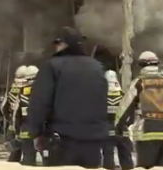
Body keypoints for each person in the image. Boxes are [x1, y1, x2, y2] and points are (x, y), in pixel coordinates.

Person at [27, 27, 108, 168]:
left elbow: (40, 102)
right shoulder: (97, 67)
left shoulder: (51, 66)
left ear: (64, 44)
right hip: (94, 140)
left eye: (57, 44)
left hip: (62, 139)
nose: (56, 48)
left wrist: (36, 132)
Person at [115, 51, 163, 169]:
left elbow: (125, 107)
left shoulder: (139, 83)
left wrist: (118, 127)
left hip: (147, 134)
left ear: (140, 65)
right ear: (157, 64)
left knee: (145, 167)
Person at [103, 70, 134, 170]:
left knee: (108, 155)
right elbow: (131, 112)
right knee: (126, 156)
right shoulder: (123, 95)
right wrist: (127, 124)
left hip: (107, 129)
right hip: (122, 130)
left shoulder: (101, 96)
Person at [1, 65, 28, 162]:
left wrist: (9, 120)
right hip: (25, 127)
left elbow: (3, 107)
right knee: (28, 154)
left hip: (12, 127)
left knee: (15, 153)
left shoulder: (11, 89)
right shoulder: (28, 88)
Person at [15, 65, 40, 166]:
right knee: (50, 163)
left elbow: (16, 114)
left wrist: (17, 131)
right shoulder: (44, 90)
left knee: (28, 162)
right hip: (42, 131)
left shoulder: (21, 91)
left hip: (26, 131)